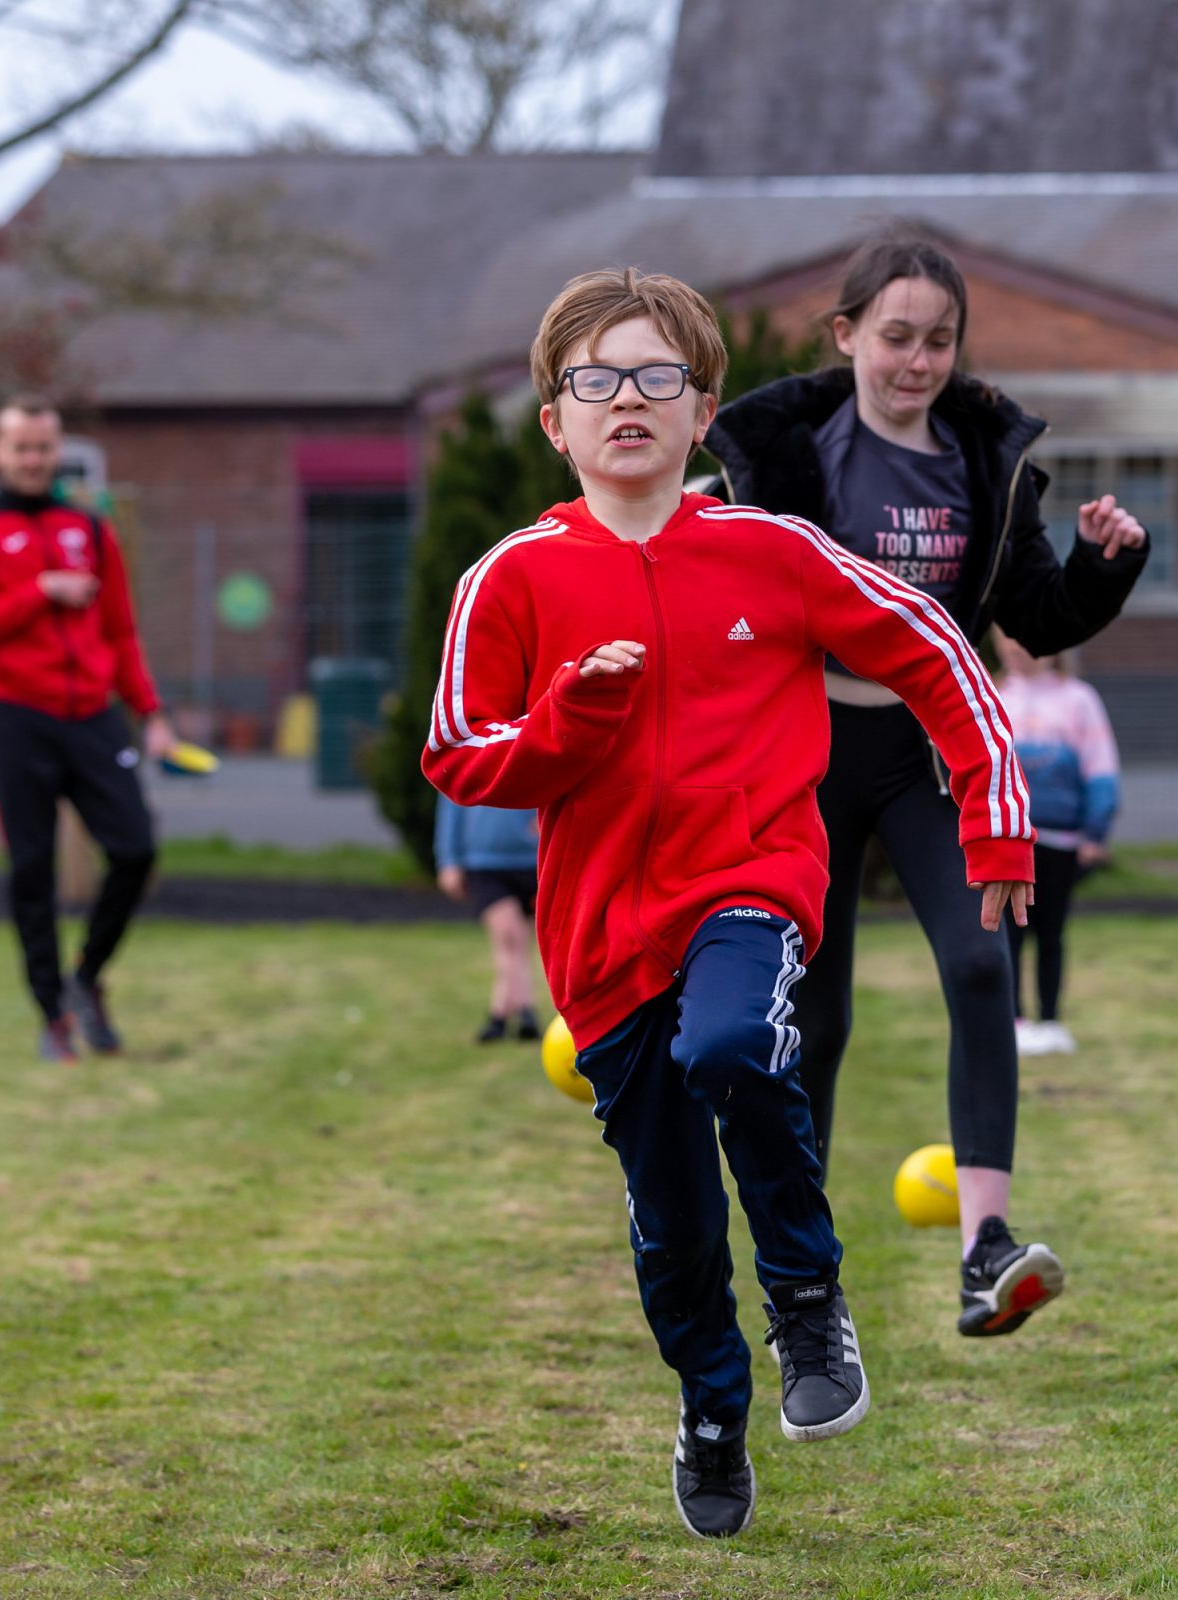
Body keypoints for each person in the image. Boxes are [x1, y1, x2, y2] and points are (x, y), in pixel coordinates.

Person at [423, 267, 1033, 1539]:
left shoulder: (773, 551)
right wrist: (570, 718)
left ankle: (808, 1302)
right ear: (555, 419)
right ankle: (711, 1402)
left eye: (658, 376)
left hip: (748, 880)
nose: (627, 398)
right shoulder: (510, 579)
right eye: (596, 379)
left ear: (703, 412)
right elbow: (461, 754)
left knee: (736, 1042)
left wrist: (993, 821)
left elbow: (937, 652)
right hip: (601, 941)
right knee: (675, 1224)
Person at [704, 224, 1148, 1337]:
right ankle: (799, 1275)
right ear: (846, 334)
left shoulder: (983, 463)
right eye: (896, 336)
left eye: (939, 340)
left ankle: (984, 1252)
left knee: (981, 961)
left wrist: (1105, 566)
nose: (917, 360)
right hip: (805, 752)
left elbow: (1037, 615)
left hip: (929, 755)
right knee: (814, 1013)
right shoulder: (781, 455)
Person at [0, 394, 175, 1063]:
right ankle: (52, 1015)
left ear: (57, 450)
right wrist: (40, 590)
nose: (34, 459)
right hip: (16, 716)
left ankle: (87, 976)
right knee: (31, 869)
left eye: (43, 448)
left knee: (136, 849)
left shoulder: (90, 529)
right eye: (22, 448)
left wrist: (150, 712)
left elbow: (121, 630)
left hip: (93, 715)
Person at [995, 631, 1120, 1056]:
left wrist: (1094, 831)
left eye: (1026, 638)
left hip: (1061, 843)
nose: (1016, 647)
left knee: (1051, 933)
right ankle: (1014, 1021)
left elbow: (1100, 766)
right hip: (1010, 843)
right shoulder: (993, 695)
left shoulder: (1079, 700)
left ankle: (1050, 1020)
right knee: (1009, 935)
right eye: (1007, 638)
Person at [433, 794, 544, 1043]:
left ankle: (499, 1017)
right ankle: (526, 1011)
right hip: (485, 864)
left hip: (531, 860)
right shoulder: (465, 764)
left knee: (518, 944)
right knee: (509, 937)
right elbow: (450, 808)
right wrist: (448, 860)